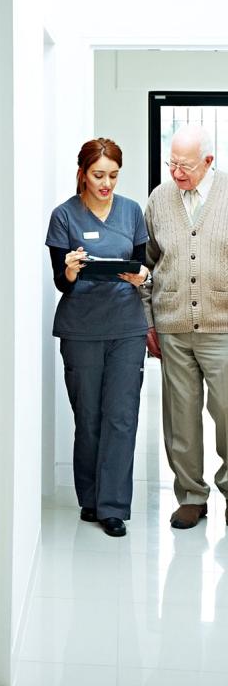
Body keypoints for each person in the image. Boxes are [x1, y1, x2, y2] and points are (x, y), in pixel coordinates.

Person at [46, 138, 150, 537]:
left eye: (113, 176)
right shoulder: (64, 216)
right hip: (81, 330)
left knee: (121, 417)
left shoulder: (131, 212)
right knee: (88, 417)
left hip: (126, 326)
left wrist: (142, 277)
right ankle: (89, 499)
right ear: (82, 174)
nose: (106, 183)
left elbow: (141, 265)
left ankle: (113, 507)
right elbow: (61, 282)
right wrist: (70, 271)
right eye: (98, 175)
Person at [141, 123, 228, 529]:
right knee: (180, 416)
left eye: (186, 166)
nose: (176, 173)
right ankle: (191, 495)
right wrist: (149, 321)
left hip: (222, 325)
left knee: (227, 413)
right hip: (173, 325)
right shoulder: (159, 199)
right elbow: (147, 263)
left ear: (208, 162)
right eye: (171, 163)